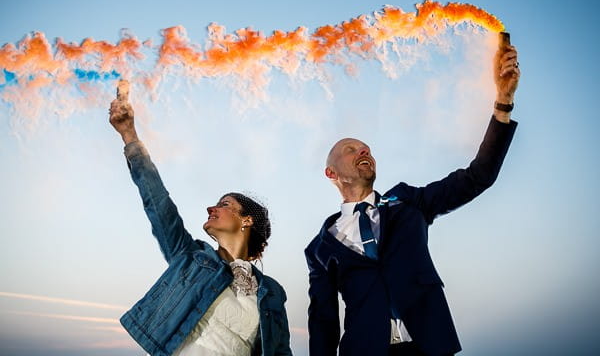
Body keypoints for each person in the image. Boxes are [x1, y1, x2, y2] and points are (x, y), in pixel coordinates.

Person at [304, 39, 521, 356]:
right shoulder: (320, 248)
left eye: (366, 148)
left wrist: (503, 101)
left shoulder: (409, 203)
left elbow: (478, 177)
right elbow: (323, 322)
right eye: (350, 149)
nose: (363, 151)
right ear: (331, 173)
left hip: (430, 346)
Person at [109, 80, 292, 356]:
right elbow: (157, 202)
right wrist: (129, 135)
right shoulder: (190, 258)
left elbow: (279, 352)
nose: (211, 208)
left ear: (246, 220)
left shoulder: (272, 293)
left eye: (224, 204)